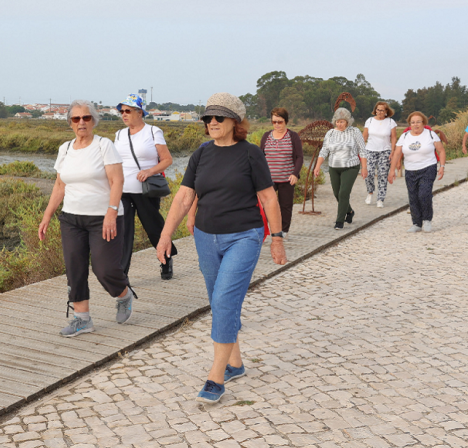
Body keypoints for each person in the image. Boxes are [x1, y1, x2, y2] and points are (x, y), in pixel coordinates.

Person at [156, 93, 287, 404]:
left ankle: (216, 377)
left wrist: (277, 238)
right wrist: (165, 235)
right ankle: (235, 363)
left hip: (244, 236)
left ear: (235, 121)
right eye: (208, 117)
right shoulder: (201, 154)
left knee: (225, 299)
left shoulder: (251, 154)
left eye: (218, 117)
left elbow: (268, 198)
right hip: (205, 237)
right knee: (218, 301)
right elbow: (184, 197)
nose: (212, 122)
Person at [38, 100, 134, 337]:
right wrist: (47, 216)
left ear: (93, 121)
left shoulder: (104, 145)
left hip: (103, 217)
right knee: (75, 268)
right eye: (76, 118)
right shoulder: (65, 149)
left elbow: (117, 181)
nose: (81, 122)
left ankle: (123, 294)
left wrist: (111, 212)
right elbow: (59, 185)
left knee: (105, 269)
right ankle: (82, 319)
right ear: (70, 123)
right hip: (71, 218)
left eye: (86, 118)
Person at [113, 93, 177, 281]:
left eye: (128, 111)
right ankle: (122, 274)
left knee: (153, 227)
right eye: (121, 111)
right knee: (123, 232)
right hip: (123, 191)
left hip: (146, 190)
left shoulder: (153, 132)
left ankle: (166, 259)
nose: (124, 114)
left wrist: (149, 171)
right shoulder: (119, 134)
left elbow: (167, 160)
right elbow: (115, 162)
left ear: (139, 112)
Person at [388, 111, 445, 232]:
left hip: (428, 168)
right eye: (413, 122)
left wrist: (442, 166)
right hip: (410, 170)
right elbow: (397, 153)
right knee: (413, 197)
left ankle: (427, 220)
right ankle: (416, 223)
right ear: (409, 124)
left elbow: (441, 150)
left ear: (423, 123)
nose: (416, 124)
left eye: (418, 122)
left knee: (424, 194)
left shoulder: (430, 134)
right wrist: (392, 170)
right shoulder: (404, 136)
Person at [313, 108, 368, 229]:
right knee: (337, 194)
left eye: (342, 121)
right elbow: (324, 151)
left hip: (350, 166)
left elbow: (363, 150)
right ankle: (349, 211)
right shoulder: (330, 133)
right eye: (337, 121)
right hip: (334, 167)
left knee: (343, 193)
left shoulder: (354, 132)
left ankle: (339, 221)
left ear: (347, 121)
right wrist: (317, 166)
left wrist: (364, 167)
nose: (339, 124)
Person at [260, 107, 304, 236]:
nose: (277, 125)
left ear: (286, 121)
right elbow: (260, 157)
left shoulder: (293, 136)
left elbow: (299, 157)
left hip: (286, 178)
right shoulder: (266, 136)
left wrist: (295, 174)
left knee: (285, 206)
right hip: (268, 180)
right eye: (274, 122)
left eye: (280, 122)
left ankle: (283, 231)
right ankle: (262, 231)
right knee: (264, 205)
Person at [362, 101, 397, 207]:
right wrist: (361, 150)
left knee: (382, 174)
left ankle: (380, 199)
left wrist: (393, 151)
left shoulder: (390, 122)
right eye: (378, 109)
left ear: (386, 111)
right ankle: (370, 192)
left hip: (385, 151)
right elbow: (364, 136)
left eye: (382, 110)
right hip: (370, 150)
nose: (380, 112)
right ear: (375, 110)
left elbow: (393, 137)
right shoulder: (369, 121)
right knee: (369, 173)